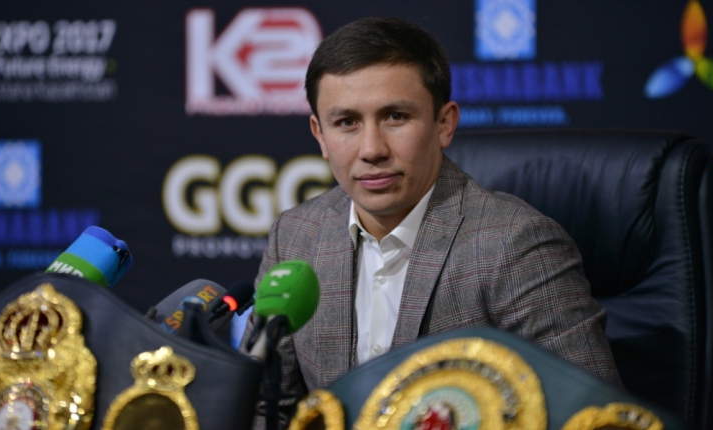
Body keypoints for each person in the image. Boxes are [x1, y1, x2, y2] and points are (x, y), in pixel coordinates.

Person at [244, 16, 622, 427]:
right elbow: (265, 407)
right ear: (320, 134)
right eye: (347, 122)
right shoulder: (296, 236)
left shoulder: (515, 245)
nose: (371, 149)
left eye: (395, 117)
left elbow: (596, 419)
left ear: (444, 123)